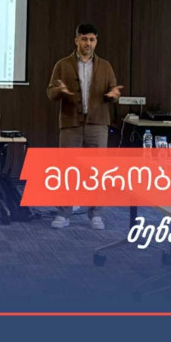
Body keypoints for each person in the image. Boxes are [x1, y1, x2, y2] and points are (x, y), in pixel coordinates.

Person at [46, 23, 123, 230]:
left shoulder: (105, 66)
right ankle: (63, 214)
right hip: (71, 123)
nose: (88, 43)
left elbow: (113, 92)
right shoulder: (63, 64)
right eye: (84, 39)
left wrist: (114, 95)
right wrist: (60, 91)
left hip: (98, 125)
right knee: (67, 170)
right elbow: (51, 93)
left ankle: (96, 214)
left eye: (92, 39)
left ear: (96, 42)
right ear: (76, 40)